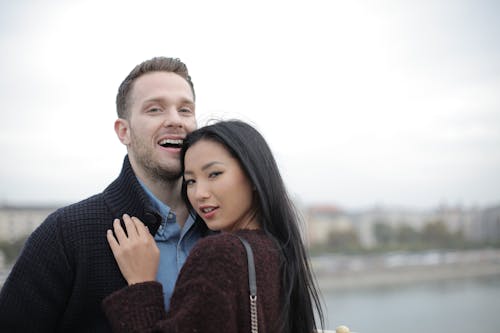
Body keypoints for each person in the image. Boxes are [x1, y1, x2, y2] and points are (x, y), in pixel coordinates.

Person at [0, 57, 210, 332]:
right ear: (124, 131)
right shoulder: (65, 234)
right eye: (155, 109)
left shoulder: (226, 229)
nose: (175, 120)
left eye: (185, 110)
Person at [102, 120, 325, 333]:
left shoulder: (220, 253)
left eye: (214, 174)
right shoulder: (276, 249)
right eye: (190, 181)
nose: (199, 194)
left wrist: (141, 284)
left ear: (254, 176)